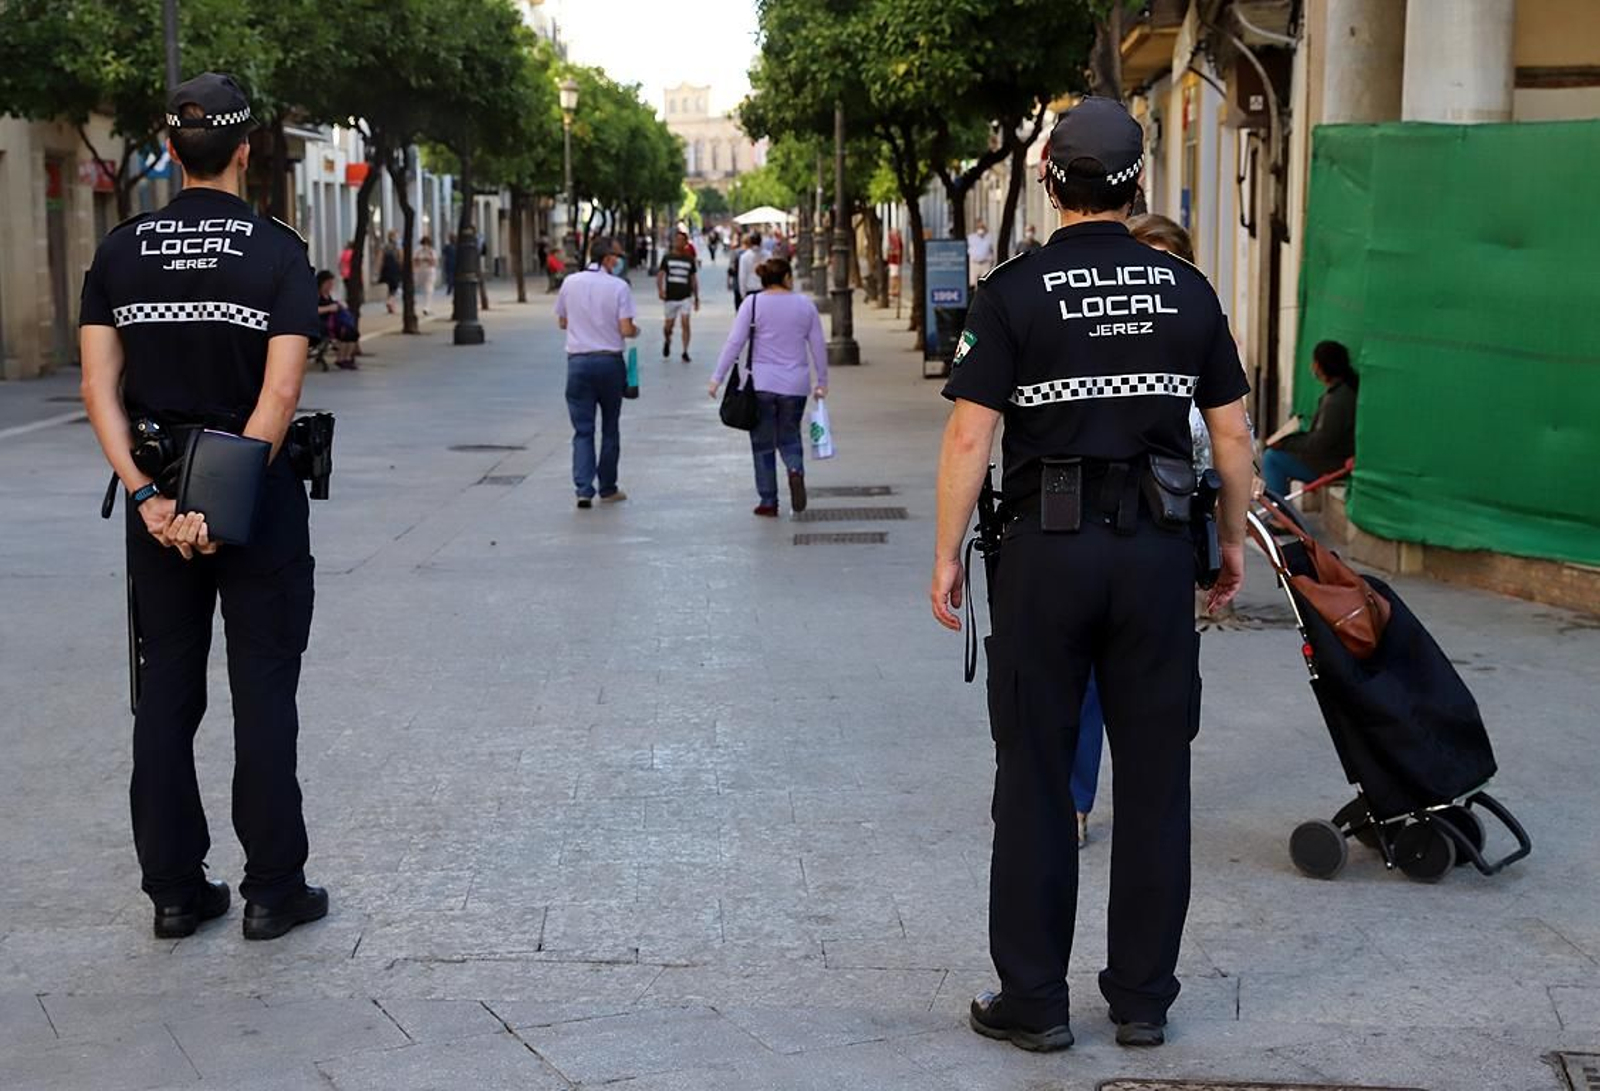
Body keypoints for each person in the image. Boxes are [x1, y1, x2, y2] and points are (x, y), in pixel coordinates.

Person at [929, 97, 1253, 1052]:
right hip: (1155, 555)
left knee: (1033, 772)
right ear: (1137, 182)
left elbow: (969, 431)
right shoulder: (1185, 289)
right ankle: (1143, 997)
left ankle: (1034, 998)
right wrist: (1229, 542)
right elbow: (1231, 432)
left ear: (1050, 182)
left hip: (1045, 556)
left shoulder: (1014, 291)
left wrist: (947, 551)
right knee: (1156, 777)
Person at [77, 72, 329, 943]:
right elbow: (280, 394)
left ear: (171, 147)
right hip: (252, 503)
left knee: (167, 695)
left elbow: (97, 389)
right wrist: (217, 508)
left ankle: (175, 891)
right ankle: (271, 889)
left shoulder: (120, 251)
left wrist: (152, 499)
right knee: (262, 691)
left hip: (156, 509)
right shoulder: (275, 251)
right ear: (247, 149)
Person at [709, 258, 828, 517]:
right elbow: (818, 345)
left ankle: (768, 501)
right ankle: (795, 470)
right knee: (790, 435)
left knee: (762, 443)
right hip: (795, 385)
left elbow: (734, 343)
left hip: (760, 384)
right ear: (786, 277)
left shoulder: (751, 304)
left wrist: (717, 377)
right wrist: (822, 381)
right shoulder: (805, 305)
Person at [555, 235, 638, 508]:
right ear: (607, 258)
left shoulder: (570, 282)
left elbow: (563, 321)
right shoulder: (619, 287)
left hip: (578, 364)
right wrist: (635, 330)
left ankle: (582, 488)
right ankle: (608, 487)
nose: (619, 260)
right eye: (616, 256)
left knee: (583, 430)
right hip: (609, 363)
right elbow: (626, 329)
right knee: (610, 427)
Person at [1262, 340, 1358, 497]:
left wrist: (1285, 444)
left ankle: (1279, 513)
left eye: (1314, 363)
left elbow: (1320, 443)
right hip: (1333, 459)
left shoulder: (1337, 400)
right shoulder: (1341, 393)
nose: (1312, 367)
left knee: (1272, 458)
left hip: (1332, 464)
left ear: (1322, 366)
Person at [657, 229, 700, 363]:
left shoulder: (689, 260)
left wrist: (696, 297)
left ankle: (685, 351)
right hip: (670, 296)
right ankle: (667, 340)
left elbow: (693, 279)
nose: (679, 242)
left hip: (685, 296)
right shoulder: (667, 258)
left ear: (686, 243)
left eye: (682, 240)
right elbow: (661, 275)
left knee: (685, 323)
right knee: (668, 326)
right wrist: (660, 290)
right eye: (677, 240)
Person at [315, 270, 359, 369]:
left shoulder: (329, 295)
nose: (330, 286)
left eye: (331, 283)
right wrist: (329, 308)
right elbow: (313, 310)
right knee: (345, 332)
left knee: (352, 332)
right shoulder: (315, 295)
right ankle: (341, 358)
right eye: (328, 283)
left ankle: (346, 357)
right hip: (321, 324)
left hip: (333, 322)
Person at [413, 235, 439, 316]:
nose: (425, 245)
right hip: (426, 271)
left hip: (422, 271)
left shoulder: (421, 251)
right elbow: (434, 262)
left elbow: (434, 262)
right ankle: (426, 307)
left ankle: (426, 307)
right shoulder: (430, 251)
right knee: (429, 289)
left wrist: (422, 260)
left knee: (428, 289)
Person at [736, 233, 763, 307]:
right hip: (764, 289)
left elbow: (742, 276)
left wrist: (742, 293)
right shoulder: (767, 255)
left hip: (750, 290)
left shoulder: (744, 257)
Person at [378, 230, 401, 314]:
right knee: (395, 287)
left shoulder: (384, 246)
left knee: (390, 288)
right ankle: (390, 301)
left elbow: (380, 257)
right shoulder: (397, 246)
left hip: (386, 268)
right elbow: (400, 257)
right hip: (394, 268)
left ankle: (391, 307)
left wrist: (379, 268)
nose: (397, 238)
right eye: (396, 236)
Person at [967, 221, 995, 285]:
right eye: (979, 227)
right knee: (973, 283)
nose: (980, 229)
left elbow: (991, 250)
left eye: (982, 227)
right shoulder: (971, 238)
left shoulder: (989, 238)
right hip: (974, 264)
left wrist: (992, 261)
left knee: (985, 282)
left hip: (985, 263)